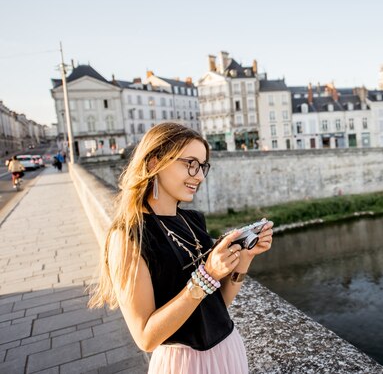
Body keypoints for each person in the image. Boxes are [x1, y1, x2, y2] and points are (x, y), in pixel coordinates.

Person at [89, 122, 273, 373]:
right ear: (155, 163)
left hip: (228, 352)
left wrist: (244, 259)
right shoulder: (129, 237)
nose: (199, 175)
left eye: (203, 166)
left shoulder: (193, 220)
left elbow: (216, 305)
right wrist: (206, 275)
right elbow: (145, 338)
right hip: (184, 364)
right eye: (190, 163)